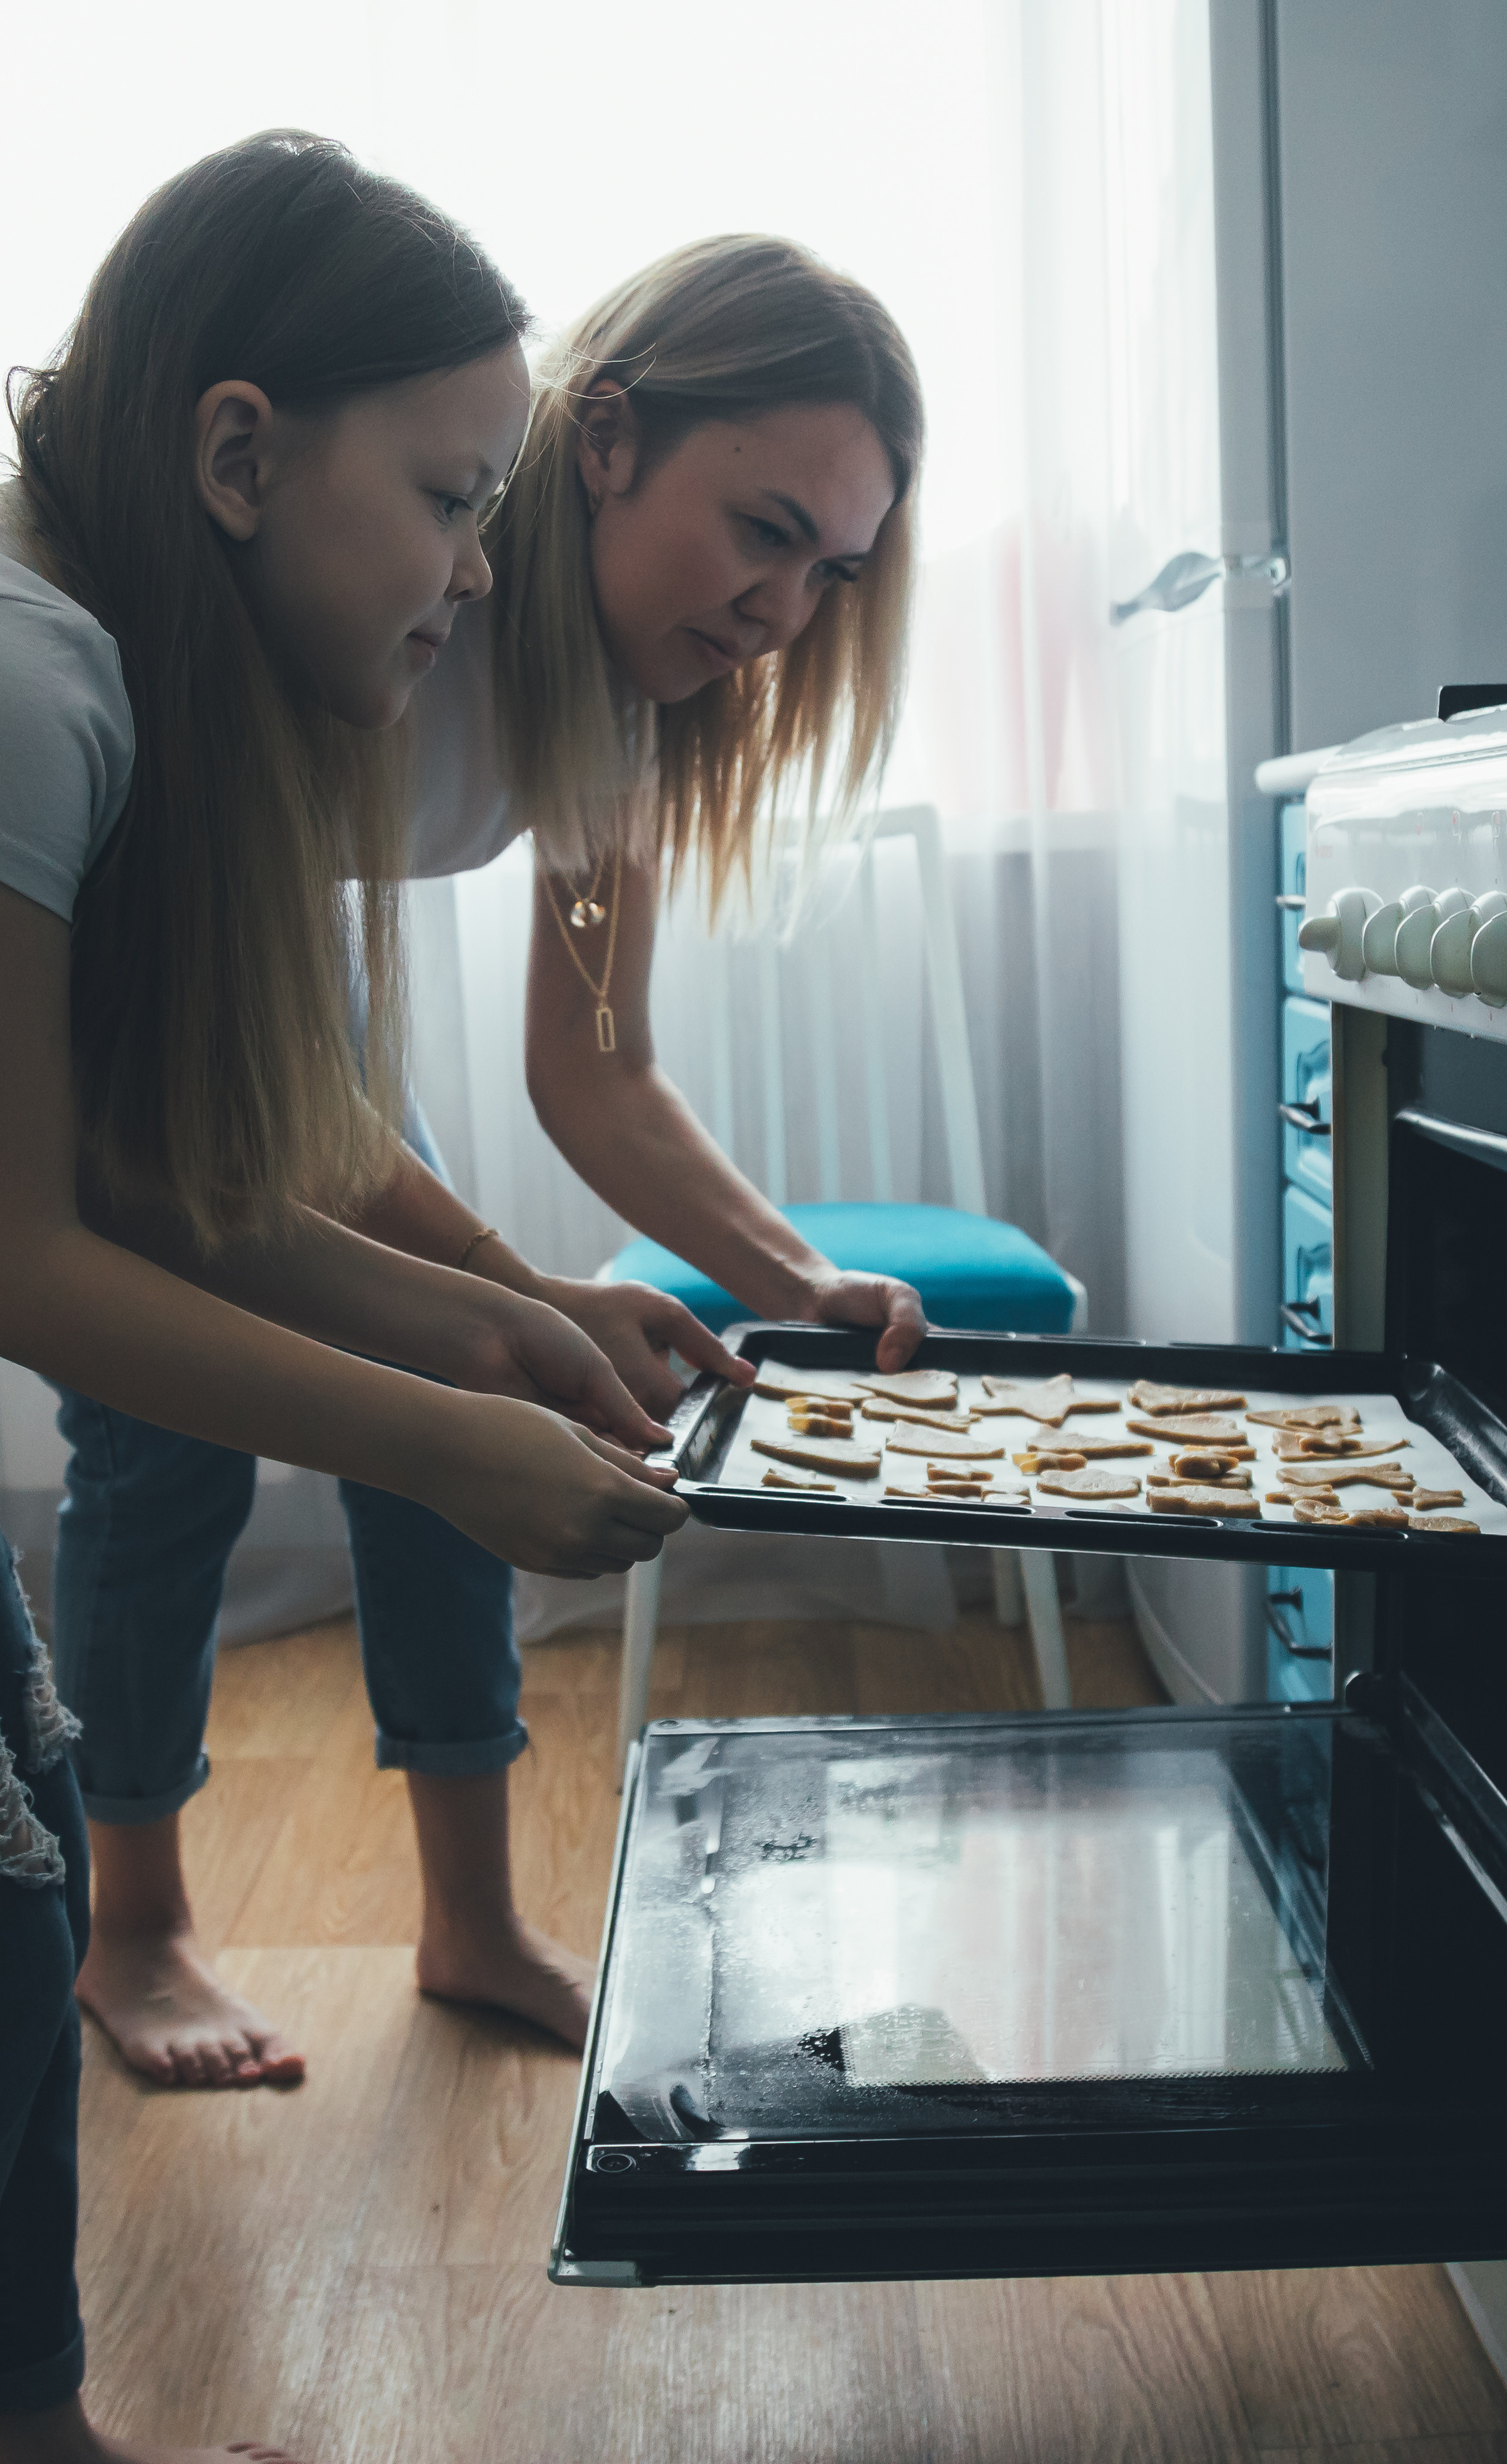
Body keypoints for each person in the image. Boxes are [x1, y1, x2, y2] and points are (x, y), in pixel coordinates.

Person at [56, 236, 932, 2093]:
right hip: (174, 972)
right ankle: (130, 1921)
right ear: (601, 439)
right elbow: (184, 1102)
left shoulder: (624, 708)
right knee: (166, 1445)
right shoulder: (337, 594)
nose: (786, 608)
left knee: (476, 1394)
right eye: (762, 530)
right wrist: (500, 1296)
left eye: (830, 573)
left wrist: (793, 1283)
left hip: (290, 1003)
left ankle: (473, 1918)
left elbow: (598, 1071)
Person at [0, 132, 691, 2464]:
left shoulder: (127, 689)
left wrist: (506, 1324)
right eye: (449, 493)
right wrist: (448, 1423)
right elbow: (32, 1260)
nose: (474, 569)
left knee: (13, 1903)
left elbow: (172, 1175)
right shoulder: (35, 686)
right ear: (234, 455)